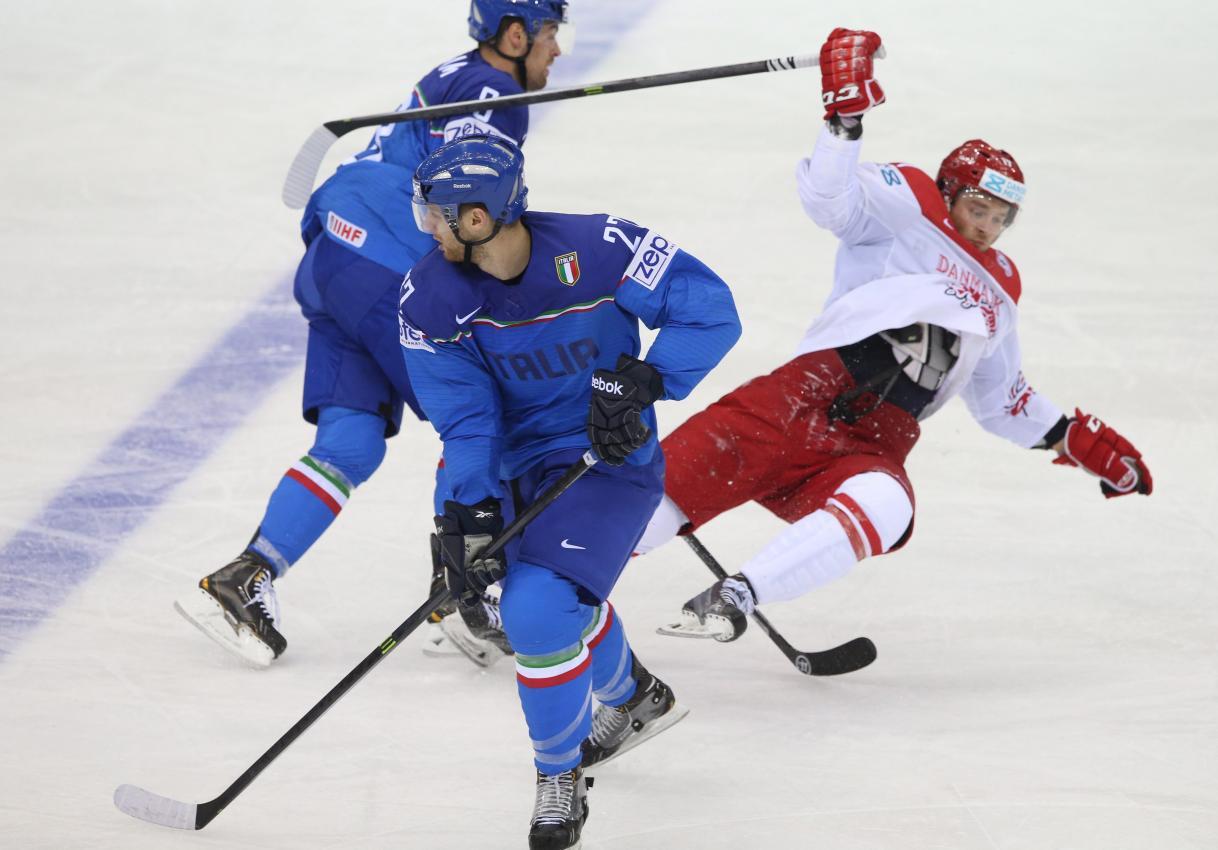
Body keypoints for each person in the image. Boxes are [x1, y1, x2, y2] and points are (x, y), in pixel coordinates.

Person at [638, 27, 1153, 643]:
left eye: (1000, 218)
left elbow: (1002, 401)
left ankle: (736, 596)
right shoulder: (909, 202)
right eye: (978, 209)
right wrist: (844, 121)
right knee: (654, 500)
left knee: (890, 505)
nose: (987, 227)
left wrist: (1077, 442)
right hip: (806, 394)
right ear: (950, 193)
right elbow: (829, 198)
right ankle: (533, 588)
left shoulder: (1002, 290)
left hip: (876, 439)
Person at [174, 0, 568, 668]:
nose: (558, 51)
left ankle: (249, 576)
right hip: (385, 251)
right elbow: (464, 200)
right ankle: (469, 594)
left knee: (350, 444)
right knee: (480, 411)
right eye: (552, 34)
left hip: (336, 253)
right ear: (515, 34)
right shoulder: (495, 91)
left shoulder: (461, 73)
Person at [400, 134, 740, 849]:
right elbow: (465, 418)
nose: (427, 226)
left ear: (478, 216)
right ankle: (634, 695)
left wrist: (648, 379)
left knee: (536, 610)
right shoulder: (427, 296)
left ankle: (559, 776)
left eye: (438, 214)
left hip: (605, 461)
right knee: (508, 604)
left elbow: (708, 307)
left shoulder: (604, 247)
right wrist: (471, 505)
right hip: (507, 461)